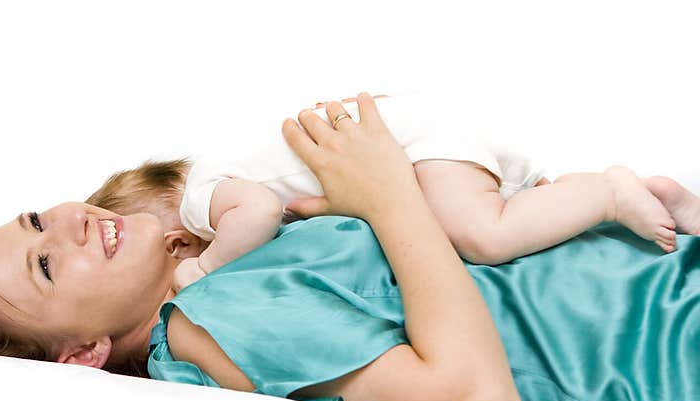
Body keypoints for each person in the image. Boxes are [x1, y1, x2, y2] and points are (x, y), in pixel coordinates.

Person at [0, 93, 700, 401]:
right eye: (45, 268)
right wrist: (388, 190)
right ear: (80, 355)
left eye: (34, 221)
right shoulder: (208, 327)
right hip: (671, 337)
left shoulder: (220, 256)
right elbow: (474, 400)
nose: (68, 224)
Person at [87, 93, 682, 294]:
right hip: (416, 137)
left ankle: (609, 192)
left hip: (413, 145)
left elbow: (261, 212)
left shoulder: (203, 199)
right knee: (526, 209)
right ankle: (654, 195)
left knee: (486, 236)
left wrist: (210, 262)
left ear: (174, 230)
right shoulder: (233, 167)